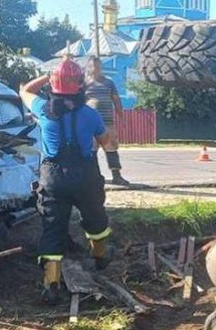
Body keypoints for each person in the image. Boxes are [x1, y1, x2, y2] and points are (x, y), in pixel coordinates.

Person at [20, 58, 114, 303]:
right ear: (81, 86)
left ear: (52, 86)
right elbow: (109, 143)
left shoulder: (42, 109)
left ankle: (51, 284)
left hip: (53, 177)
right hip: (85, 174)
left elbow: (25, 91)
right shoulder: (90, 114)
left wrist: (47, 74)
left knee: (53, 228)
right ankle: (101, 256)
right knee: (95, 217)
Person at [85, 56, 132, 187]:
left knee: (111, 148)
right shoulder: (84, 83)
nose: (95, 69)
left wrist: (121, 118)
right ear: (88, 67)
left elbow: (116, 100)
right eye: (92, 66)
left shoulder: (109, 82)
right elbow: (79, 103)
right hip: (90, 123)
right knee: (92, 150)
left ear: (101, 67)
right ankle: (93, 178)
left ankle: (117, 176)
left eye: (97, 66)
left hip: (107, 122)